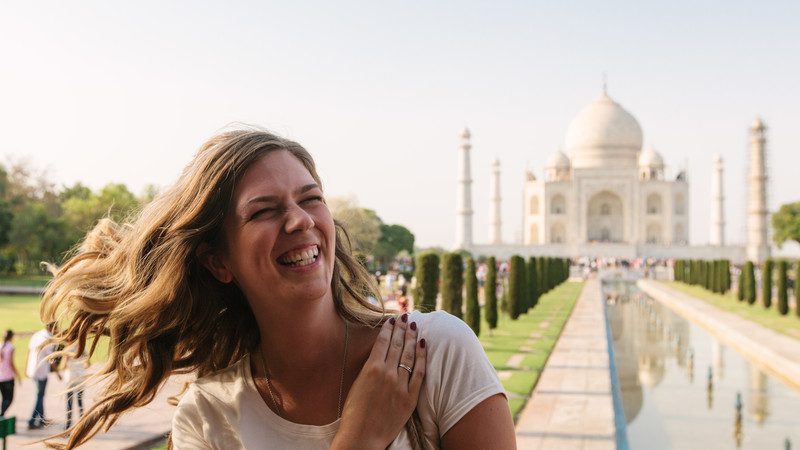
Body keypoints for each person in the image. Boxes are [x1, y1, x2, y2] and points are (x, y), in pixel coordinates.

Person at [40, 127, 516, 449]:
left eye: (311, 199)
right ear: (219, 261)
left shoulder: (434, 352)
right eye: (264, 210)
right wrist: (360, 438)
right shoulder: (209, 418)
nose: (300, 220)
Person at [25, 322, 58, 429]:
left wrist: (26, 368)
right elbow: (51, 358)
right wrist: (58, 373)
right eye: (56, 327)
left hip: (32, 369)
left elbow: (29, 351)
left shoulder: (37, 335)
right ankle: (32, 420)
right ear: (51, 327)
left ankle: (42, 419)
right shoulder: (47, 339)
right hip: (41, 372)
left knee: (40, 395)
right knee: (40, 396)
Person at [62, 344, 89, 430]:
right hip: (80, 377)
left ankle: (68, 425)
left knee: (69, 402)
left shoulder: (67, 349)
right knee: (80, 401)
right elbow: (87, 364)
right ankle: (82, 424)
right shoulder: (83, 348)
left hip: (70, 378)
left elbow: (63, 366)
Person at [0, 329, 20, 416]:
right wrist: (17, 375)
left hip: (1, 377)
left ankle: (2, 414)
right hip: (8, 377)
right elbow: (11, 363)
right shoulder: (10, 347)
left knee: (4, 398)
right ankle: (1, 414)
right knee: (9, 399)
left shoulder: (0, 346)